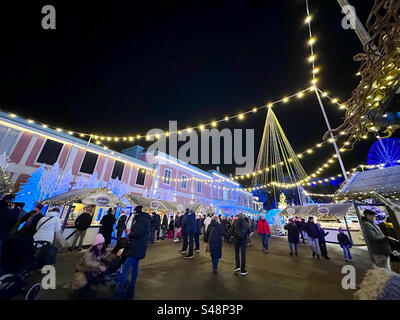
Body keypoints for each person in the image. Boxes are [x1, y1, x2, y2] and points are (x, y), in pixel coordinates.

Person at [114, 204, 150, 300]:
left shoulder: (140, 220)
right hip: (140, 248)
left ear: (136, 212)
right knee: (134, 267)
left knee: (125, 267)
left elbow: (138, 233)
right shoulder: (145, 219)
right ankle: (132, 286)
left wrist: (130, 233)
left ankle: (120, 289)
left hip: (136, 247)